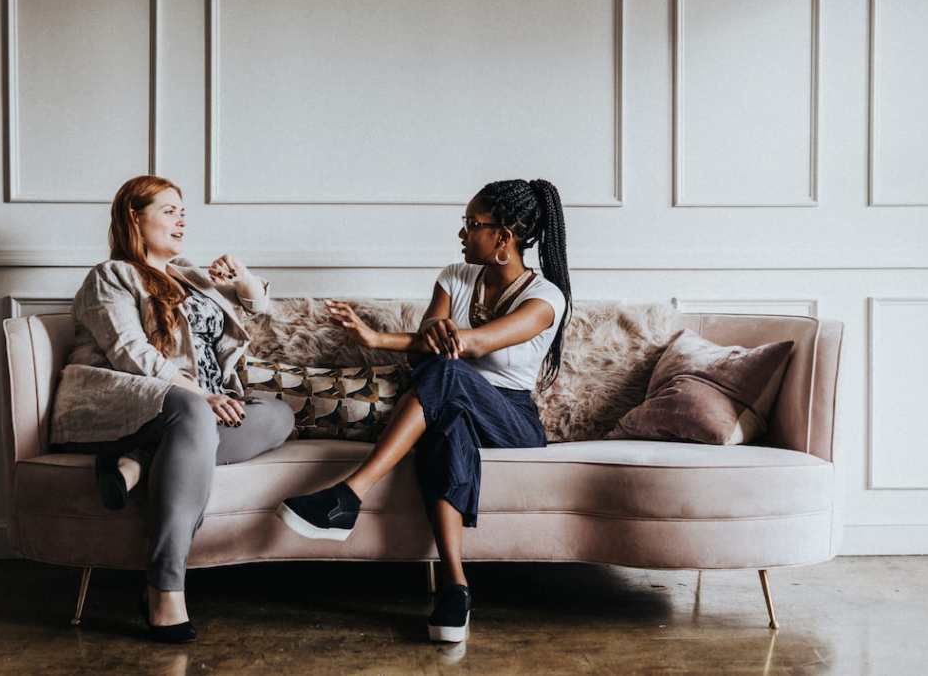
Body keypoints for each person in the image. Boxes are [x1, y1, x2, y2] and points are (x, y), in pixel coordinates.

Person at [276, 179, 572, 643]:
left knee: (447, 369)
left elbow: (467, 344)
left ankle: (351, 493)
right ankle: (455, 587)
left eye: (473, 224)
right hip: (452, 400)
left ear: (503, 238)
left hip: (510, 419)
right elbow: (428, 340)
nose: (462, 233)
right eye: (464, 223)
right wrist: (399, 338)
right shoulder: (455, 275)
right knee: (445, 421)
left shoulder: (546, 299)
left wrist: (405, 337)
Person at [50, 175, 295, 643]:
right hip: (135, 399)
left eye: (183, 210)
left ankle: (138, 460)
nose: (181, 218)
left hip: (198, 409)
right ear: (134, 218)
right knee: (190, 410)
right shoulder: (111, 275)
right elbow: (130, 352)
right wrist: (200, 396)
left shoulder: (188, 275)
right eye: (168, 210)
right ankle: (164, 587)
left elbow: (260, 311)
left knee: (278, 415)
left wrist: (243, 280)